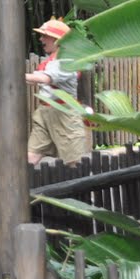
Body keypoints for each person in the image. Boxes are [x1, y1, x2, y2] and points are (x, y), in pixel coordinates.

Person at [26, 16, 91, 166]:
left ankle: (82, 188)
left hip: (64, 113)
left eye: (45, 36)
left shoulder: (67, 60)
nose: (41, 40)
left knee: (75, 162)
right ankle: (22, 187)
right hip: (45, 111)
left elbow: (45, 79)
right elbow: (34, 78)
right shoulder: (52, 60)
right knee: (31, 156)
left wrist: (15, 75)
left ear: (57, 40)